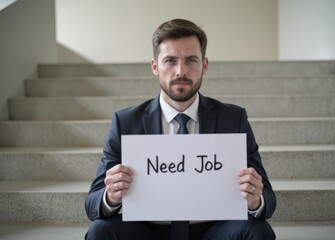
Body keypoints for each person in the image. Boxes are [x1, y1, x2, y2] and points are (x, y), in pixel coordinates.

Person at [85, 18, 276, 240]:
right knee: (100, 231)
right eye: (170, 61)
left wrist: (256, 200)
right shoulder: (125, 122)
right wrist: (110, 197)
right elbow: (92, 203)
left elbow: (268, 199)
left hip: (214, 231)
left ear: (204, 65)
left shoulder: (233, 118)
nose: (181, 71)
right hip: (147, 231)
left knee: (258, 232)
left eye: (191, 60)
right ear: (155, 66)